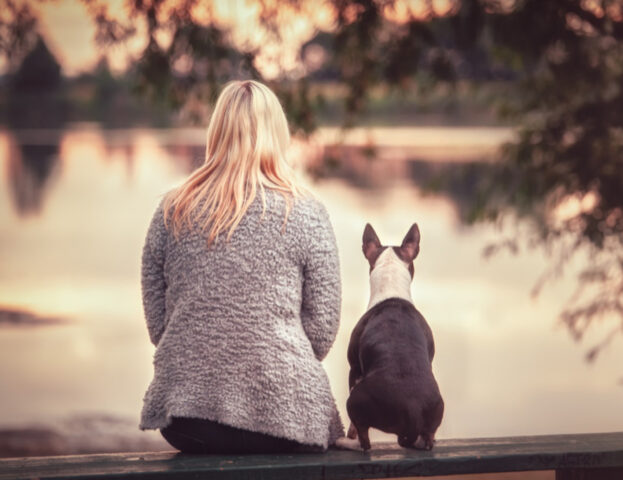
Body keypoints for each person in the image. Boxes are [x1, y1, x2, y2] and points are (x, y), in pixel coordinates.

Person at [139, 80, 344, 454]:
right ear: (277, 133)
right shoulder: (308, 213)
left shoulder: (171, 211)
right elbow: (321, 332)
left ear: (216, 133)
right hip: (288, 419)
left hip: (188, 420)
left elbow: (159, 327)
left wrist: (205, 351)